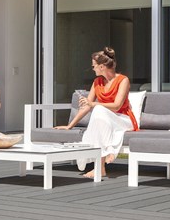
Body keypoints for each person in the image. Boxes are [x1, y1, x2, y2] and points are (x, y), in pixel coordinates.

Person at [55, 46, 139, 178]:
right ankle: (102, 165)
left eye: (94, 66)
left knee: (99, 110)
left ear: (102, 67)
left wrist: (94, 104)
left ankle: (101, 164)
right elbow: (87, 106)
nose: (92, 69)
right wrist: (70, 125)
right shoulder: (97, 82)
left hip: (123, 119)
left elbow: (117, 106)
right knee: (99, 114)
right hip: (105, 120)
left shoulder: (123, 80)